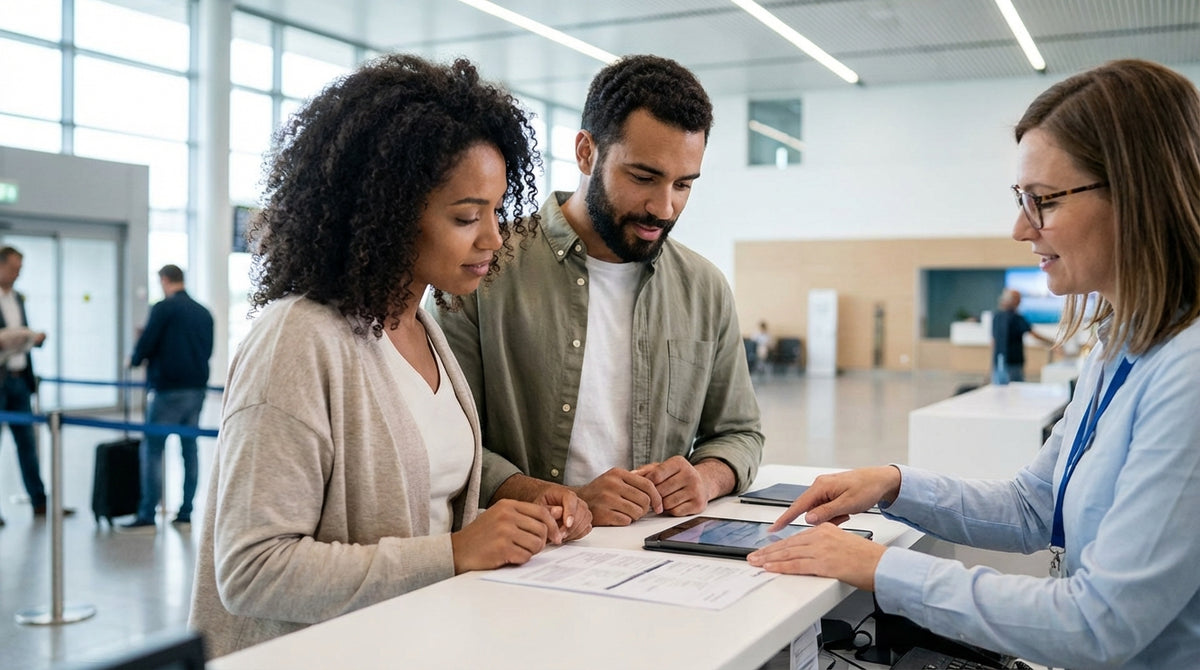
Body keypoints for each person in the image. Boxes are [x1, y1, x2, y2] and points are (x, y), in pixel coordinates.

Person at [747, 59, 1200, 668]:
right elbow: (1035, 507)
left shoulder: (1187, 373)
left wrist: (881, 567)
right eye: (1022, 199)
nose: (1020, 227)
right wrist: (895, 483)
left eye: (1041, 201)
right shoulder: (1118, 348)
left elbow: (1100, 624)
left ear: (1137, 194)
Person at [189, 54, 591, 657]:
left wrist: (521, 506)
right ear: (388, 212)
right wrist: (454, 553)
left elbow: (415, 507)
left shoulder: (423, 327)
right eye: (465, 216)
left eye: (496, 210)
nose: (493, 238)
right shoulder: (298, 340)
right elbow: (251, 570)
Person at [431, 55, 764, 527]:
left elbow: (740, 433)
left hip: (661, 556)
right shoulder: (484, 269)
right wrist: (563, 497)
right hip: (525, 555)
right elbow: (446, 440)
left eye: (684, 185)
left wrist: (706, 479)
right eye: (644, 177)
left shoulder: (704, 288)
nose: (664, 207)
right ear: (586, 152)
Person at [119, 264, 214, 531]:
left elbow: (147, 343)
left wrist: (135, 359)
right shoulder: (204, 312)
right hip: (196, 389)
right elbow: (207, 350)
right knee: (190, 449)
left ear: (164, 280)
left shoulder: (163, 308)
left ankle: (148, 512)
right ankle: (186, 511)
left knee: (153, 450)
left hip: (167, 389)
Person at [0, 246, 72, 525]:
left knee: (27, 445)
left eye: (21, 269)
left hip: (19, 379)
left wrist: (33, 339)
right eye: (14, 268)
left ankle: (39, 501)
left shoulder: (17, 298)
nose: (18, 274)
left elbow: (22, 333)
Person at [990, 288, 1054, 383]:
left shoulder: (997, 316)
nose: (1020, 301)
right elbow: (1033, 334)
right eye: (1019, 299)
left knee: (999, 390)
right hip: (1013, 362)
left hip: (999, 360)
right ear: (1014, 301)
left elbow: (994, 341)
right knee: (1014, 390)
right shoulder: (1017, 318)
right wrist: (1052, 342)